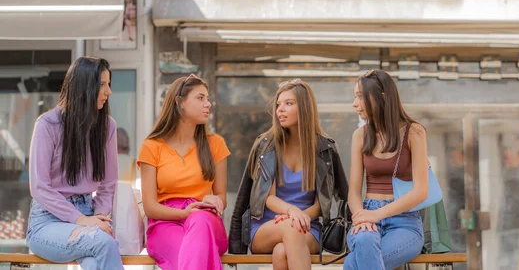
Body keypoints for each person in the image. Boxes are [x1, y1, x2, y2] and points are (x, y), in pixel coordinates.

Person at [229, 79, 348, 270]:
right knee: (291, 229)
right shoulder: (266, 146)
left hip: (308, 227)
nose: (280, 110)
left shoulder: (324, 149)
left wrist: (299, 216)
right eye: (278, 105)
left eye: (288, 104)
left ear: (305, 108)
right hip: (265, 227)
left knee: (282, 252)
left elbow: (321, 205)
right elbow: (267, 198)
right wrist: (291, 212)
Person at [26, 57, 122, 269]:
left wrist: (98, 216)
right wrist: (82, 220)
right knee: (104, 244)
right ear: (84, 87)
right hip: (47, 222)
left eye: (109, 84)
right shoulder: (47, 125)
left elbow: (109, 184)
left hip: (90, 216)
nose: (109, 92)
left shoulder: (107, 127)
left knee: (94, 262)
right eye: (103, 85)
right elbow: (39, 187)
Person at [138, 74, 230, 270]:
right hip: (165, 223)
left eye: (207, 98)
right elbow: (150, 207)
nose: (208, 104)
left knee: (199, 219)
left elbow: (222, 196)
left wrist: (216, 200)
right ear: (179, 102)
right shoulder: (151, 147)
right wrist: (183, 213)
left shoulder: (216, 144)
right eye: (200, 98)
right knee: (188, 258)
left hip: (206, 221)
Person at [344, 69, 428, 270]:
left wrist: (377, 215)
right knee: (364, 241)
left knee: (352, 263)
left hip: (405, 221)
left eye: (359, 97)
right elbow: (354, 192)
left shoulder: (414, 132)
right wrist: (362, 216)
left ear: (380, 97)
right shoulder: (360, 135)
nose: (354, 103)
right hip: (366, 214)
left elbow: (421, 191)